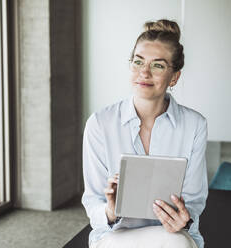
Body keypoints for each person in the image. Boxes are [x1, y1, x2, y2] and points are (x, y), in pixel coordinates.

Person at [81, 19, 208, 248]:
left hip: (172, 236)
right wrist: (110, 210)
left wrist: (184, 219)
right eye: (138, 62)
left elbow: (195, 200)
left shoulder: (195, 125)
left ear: (174, 77)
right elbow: (93, 202)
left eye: (158, 65)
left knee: (176, 244)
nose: (144, 73)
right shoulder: (99, 124)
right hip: (115, 236)